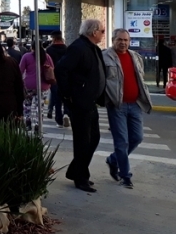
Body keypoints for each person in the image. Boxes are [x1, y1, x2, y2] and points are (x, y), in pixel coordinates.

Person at [55, 19, 107, 193]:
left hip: (90, 102)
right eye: (102, 31)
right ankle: (80, 178)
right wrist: (69, 95)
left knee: (94, 138)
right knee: (83, 141)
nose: (103, 34)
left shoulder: (93, 48)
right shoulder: (78, 48)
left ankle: (76, 170)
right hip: (80, 103)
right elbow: (61, 70)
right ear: (93, 32)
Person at [103, 29, 153, 189]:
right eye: (120, 39)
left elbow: (140, 78)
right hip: (117, 105)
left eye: (126, 40)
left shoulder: (135, 57)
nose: (123, 42)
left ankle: (113, 160)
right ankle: (125, 176)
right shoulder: (105, 57)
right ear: (113, 40)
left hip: (135, 104)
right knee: (122, 142)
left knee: (137, 137)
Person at [19, 41, 54, 130]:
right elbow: (52, 69)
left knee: (27, 104)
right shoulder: (47, 56)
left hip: (29, 85)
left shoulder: (26, 56)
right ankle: (38, 123)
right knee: (40, 106)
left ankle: (28, 121)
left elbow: (20, 70)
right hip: (43, 85)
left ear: (32, 47)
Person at [46, 31, 69, 127]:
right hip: (66, 77)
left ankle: (59, 120)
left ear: (54, 38)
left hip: (54, 77)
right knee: (66, 98)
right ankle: (66, 114)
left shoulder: (49, 50)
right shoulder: (67, 49)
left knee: (57, 99)